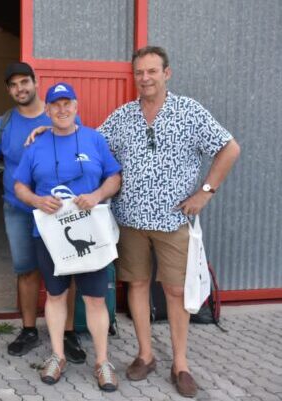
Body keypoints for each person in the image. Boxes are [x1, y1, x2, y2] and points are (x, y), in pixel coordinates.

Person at [97, 46, 240, 397]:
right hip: (129, 218)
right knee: (137, 285)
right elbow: (89, 144)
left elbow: (229, 148)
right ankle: (145, 355)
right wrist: (47, 132)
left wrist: (206, 191)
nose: (145, 78)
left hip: (174, 219)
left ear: (167, 73)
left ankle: (180, 363)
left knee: (176, 291)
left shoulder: (188, 111)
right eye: (139, 73)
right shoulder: (123, 116)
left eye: (151, 71)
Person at [13, 82, 122, 391]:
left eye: (67, 103)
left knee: (95, 298)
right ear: (47, 110)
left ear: (76, 106)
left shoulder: (94, 139)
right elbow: (20, 185)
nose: (61, 109)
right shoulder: (36, 145)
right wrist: (36, 200)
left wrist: (98, 194)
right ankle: (57, 356)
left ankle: (103, 362)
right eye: (55, 104)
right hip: (49, 236)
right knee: (56, 295)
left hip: (90, 233)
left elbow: (114, 176)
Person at [0, 62, 87, 361]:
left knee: (66, 270)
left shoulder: (57, 113)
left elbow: (83, 145)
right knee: (26, 270)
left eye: (24, 82)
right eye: (13, 85)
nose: (20, 89)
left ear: (35, 82)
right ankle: (29, 329)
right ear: (8, 90)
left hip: (58, 212)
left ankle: (68, 334)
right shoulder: (3, 125)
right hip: (19, 209)